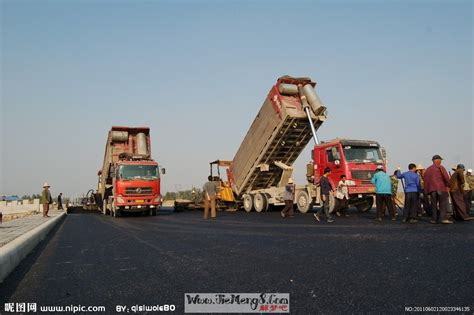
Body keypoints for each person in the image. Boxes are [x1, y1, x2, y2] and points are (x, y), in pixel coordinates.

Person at [423, 155, 452, 224]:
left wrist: (426, 191)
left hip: (432, 190)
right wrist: (448, 185)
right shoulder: (441, 168)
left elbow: (426, 181)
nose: (441, 161)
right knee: (442, 204)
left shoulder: (428, 169)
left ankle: (434, 219)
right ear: (437, 160)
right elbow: (446, 177)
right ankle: (442, 219)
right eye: (440, 160)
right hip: (441, 188)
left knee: (433, 204)